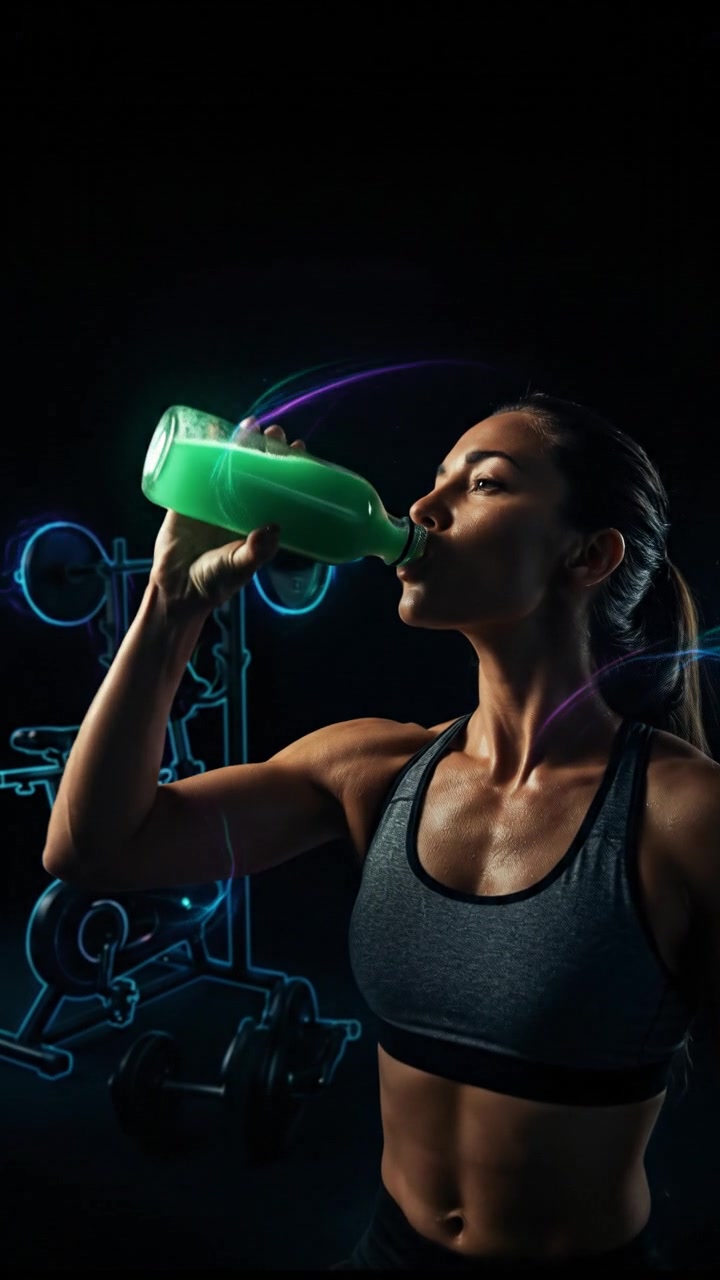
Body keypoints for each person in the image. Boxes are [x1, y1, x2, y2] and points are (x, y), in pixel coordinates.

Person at [43, 394, 719, 1272]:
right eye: (432, 481)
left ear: (589, 556)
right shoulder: (371, 769)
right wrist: (171, 606)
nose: (423, 510)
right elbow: (94, 848)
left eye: (483, 484)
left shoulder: (682, 815)